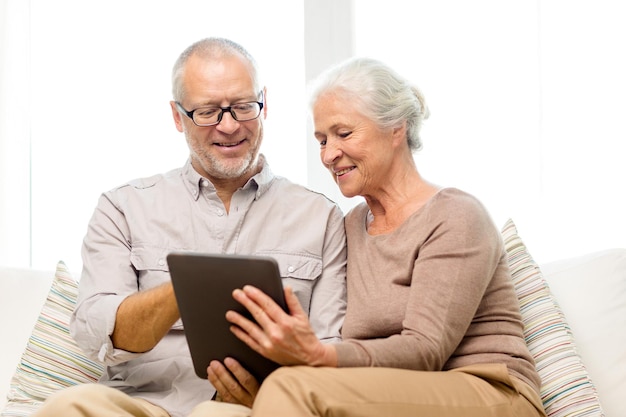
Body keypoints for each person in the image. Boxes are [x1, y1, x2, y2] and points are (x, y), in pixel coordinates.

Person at [203, 57, 548, 417]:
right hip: (396, 392)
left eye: (344, 133)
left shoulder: (455, 215)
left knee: (292, 386)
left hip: (489, 391)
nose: (329, 154)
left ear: (396, 129)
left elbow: (426, 349)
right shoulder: (349, 226)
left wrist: (318, 357)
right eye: (321, 139)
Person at [31, 37, 347, 417]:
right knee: (67, 405)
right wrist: (188, 286)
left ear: (265, 103)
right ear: (177, 116)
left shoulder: (321, 218)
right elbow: (97, 332)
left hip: (254, 406)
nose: (229, 126)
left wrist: (270, 394)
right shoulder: (124, 207)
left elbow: (331, 349)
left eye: (244, 107)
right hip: (142, 402)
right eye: (208, 111)